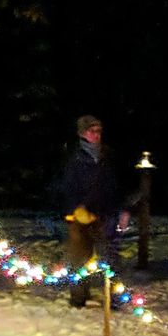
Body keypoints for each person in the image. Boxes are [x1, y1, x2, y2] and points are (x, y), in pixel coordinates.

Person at [59, 114, 129, 308]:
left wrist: (122, 209)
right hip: (80, 217)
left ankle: (115, 299)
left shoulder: (108, 157)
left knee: (110, 257)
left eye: (99, 131)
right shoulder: (74, 159)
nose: (96, 135)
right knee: (80, 258)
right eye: (92, 131)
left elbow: (116, 187)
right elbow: (67, 187)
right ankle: (78, 298)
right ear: (83, 133)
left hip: (106, 215)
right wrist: (76, 208)